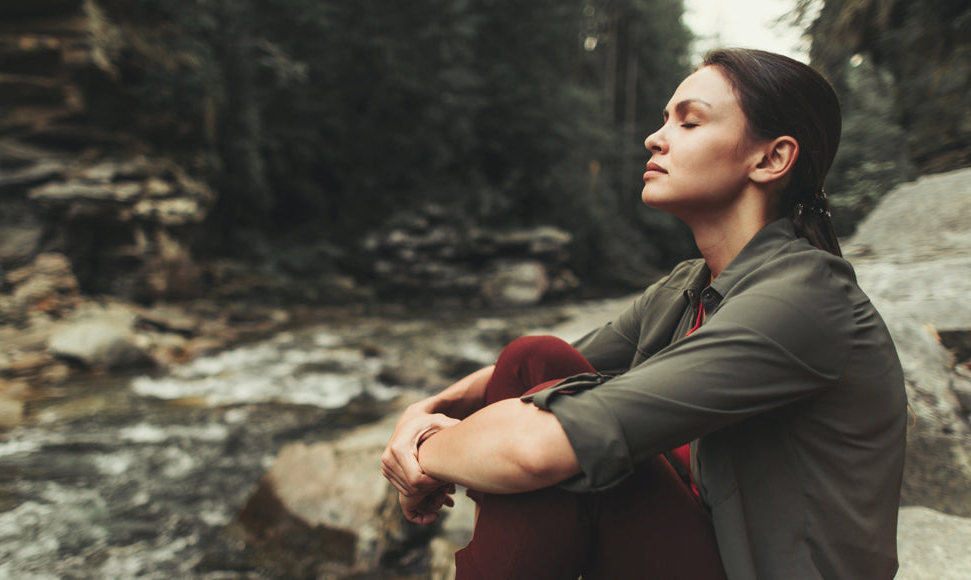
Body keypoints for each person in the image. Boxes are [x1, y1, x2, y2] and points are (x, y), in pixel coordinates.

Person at [381, 48, 907, 579]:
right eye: (664, 120)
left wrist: (425, 452)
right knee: (532, 359)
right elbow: (530, 373)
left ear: (771, 160)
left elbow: (540, 449)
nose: (656, 138)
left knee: (562, 437)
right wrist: (427, 408)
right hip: (692, 552)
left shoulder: (805, 299)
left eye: (689, 122)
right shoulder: (689, 286)